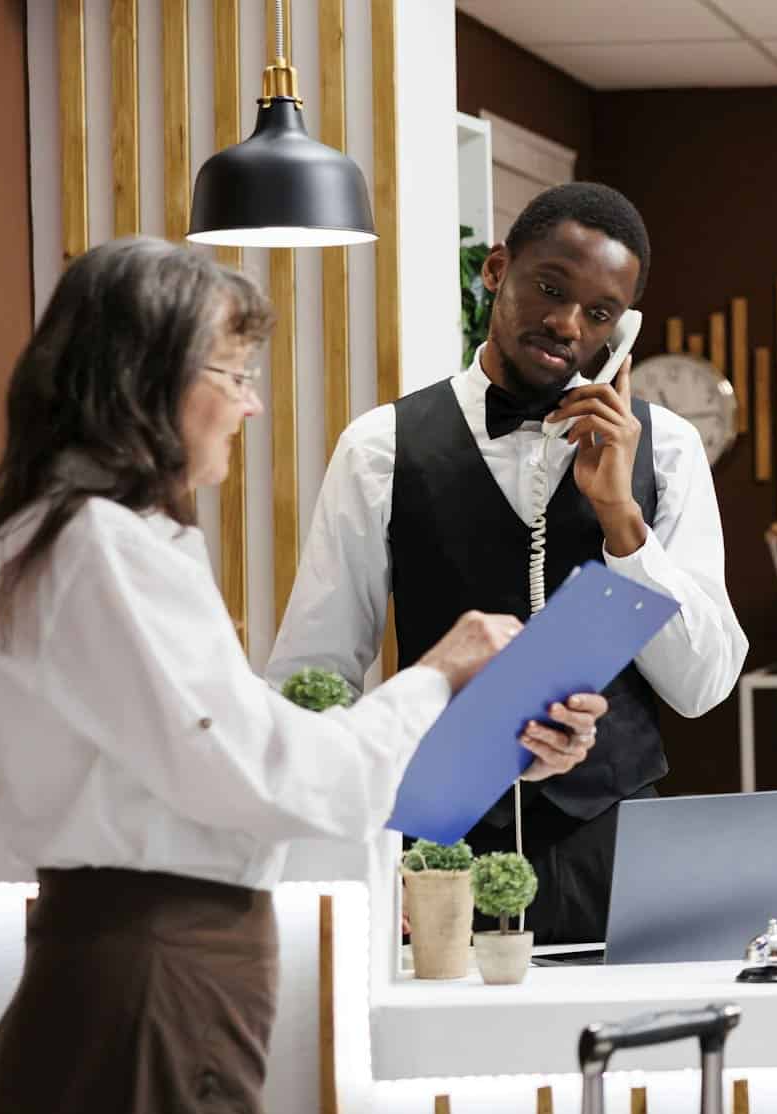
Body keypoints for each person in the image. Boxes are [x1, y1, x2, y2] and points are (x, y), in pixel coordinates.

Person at [0, 237, 570, 1114]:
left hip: (129, 981)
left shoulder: (52, 537)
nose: (249, 408)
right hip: (152, 983)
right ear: (143, 380)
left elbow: (225, 764)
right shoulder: (101, 546)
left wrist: (453, 715)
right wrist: (438, 674)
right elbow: (273, 778)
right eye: (231, 375)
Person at [267, 182, 749, 945]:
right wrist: (343, 856)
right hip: (437, 846)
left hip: (620, 848)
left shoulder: (673, 450)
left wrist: (622, 518)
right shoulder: (380, 448)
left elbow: (704, 686)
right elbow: (313, 672)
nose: (566, 324)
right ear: (496, 270)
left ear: (622, 331)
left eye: (599, 313)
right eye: (550, 289)